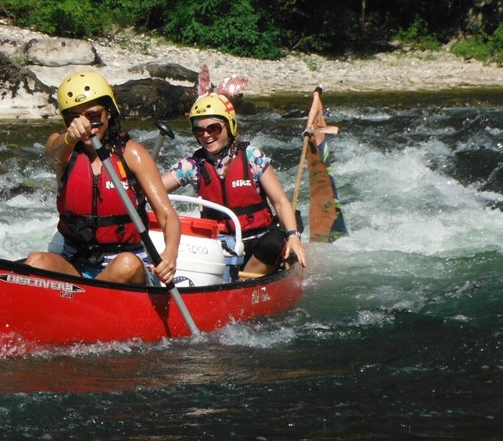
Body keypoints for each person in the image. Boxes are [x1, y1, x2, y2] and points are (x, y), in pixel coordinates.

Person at [25, 71, 180, 285]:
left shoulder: (132, 155)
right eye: (74, 118)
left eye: (93, 115)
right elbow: (53, 153)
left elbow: (167, 216)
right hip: (76, 262)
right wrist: (70, 137)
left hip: (126, 268)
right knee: (36, 262)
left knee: (126, 264)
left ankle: (86, 298)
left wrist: (170, 253)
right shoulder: (63, 149)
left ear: (108, 113)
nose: (86, 124)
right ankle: (84, 297)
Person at [161, 93, 306, 277]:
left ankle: (242, 282)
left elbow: (280, 201)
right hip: (218, 246)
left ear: (230, 126)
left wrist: (293, 235)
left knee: (276, 242)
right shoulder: (192, 166)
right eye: (199, 131)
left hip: (257, 244)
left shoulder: (253, 157)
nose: (206, 135)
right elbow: (154, 189)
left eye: (213, 128)